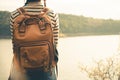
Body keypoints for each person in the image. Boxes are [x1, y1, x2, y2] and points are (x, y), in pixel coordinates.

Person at [9, 0, 59, 80]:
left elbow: (14, 45)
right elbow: (55, 44)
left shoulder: (15, 14)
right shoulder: (52, 14)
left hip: (21, 71)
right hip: (46, 70)